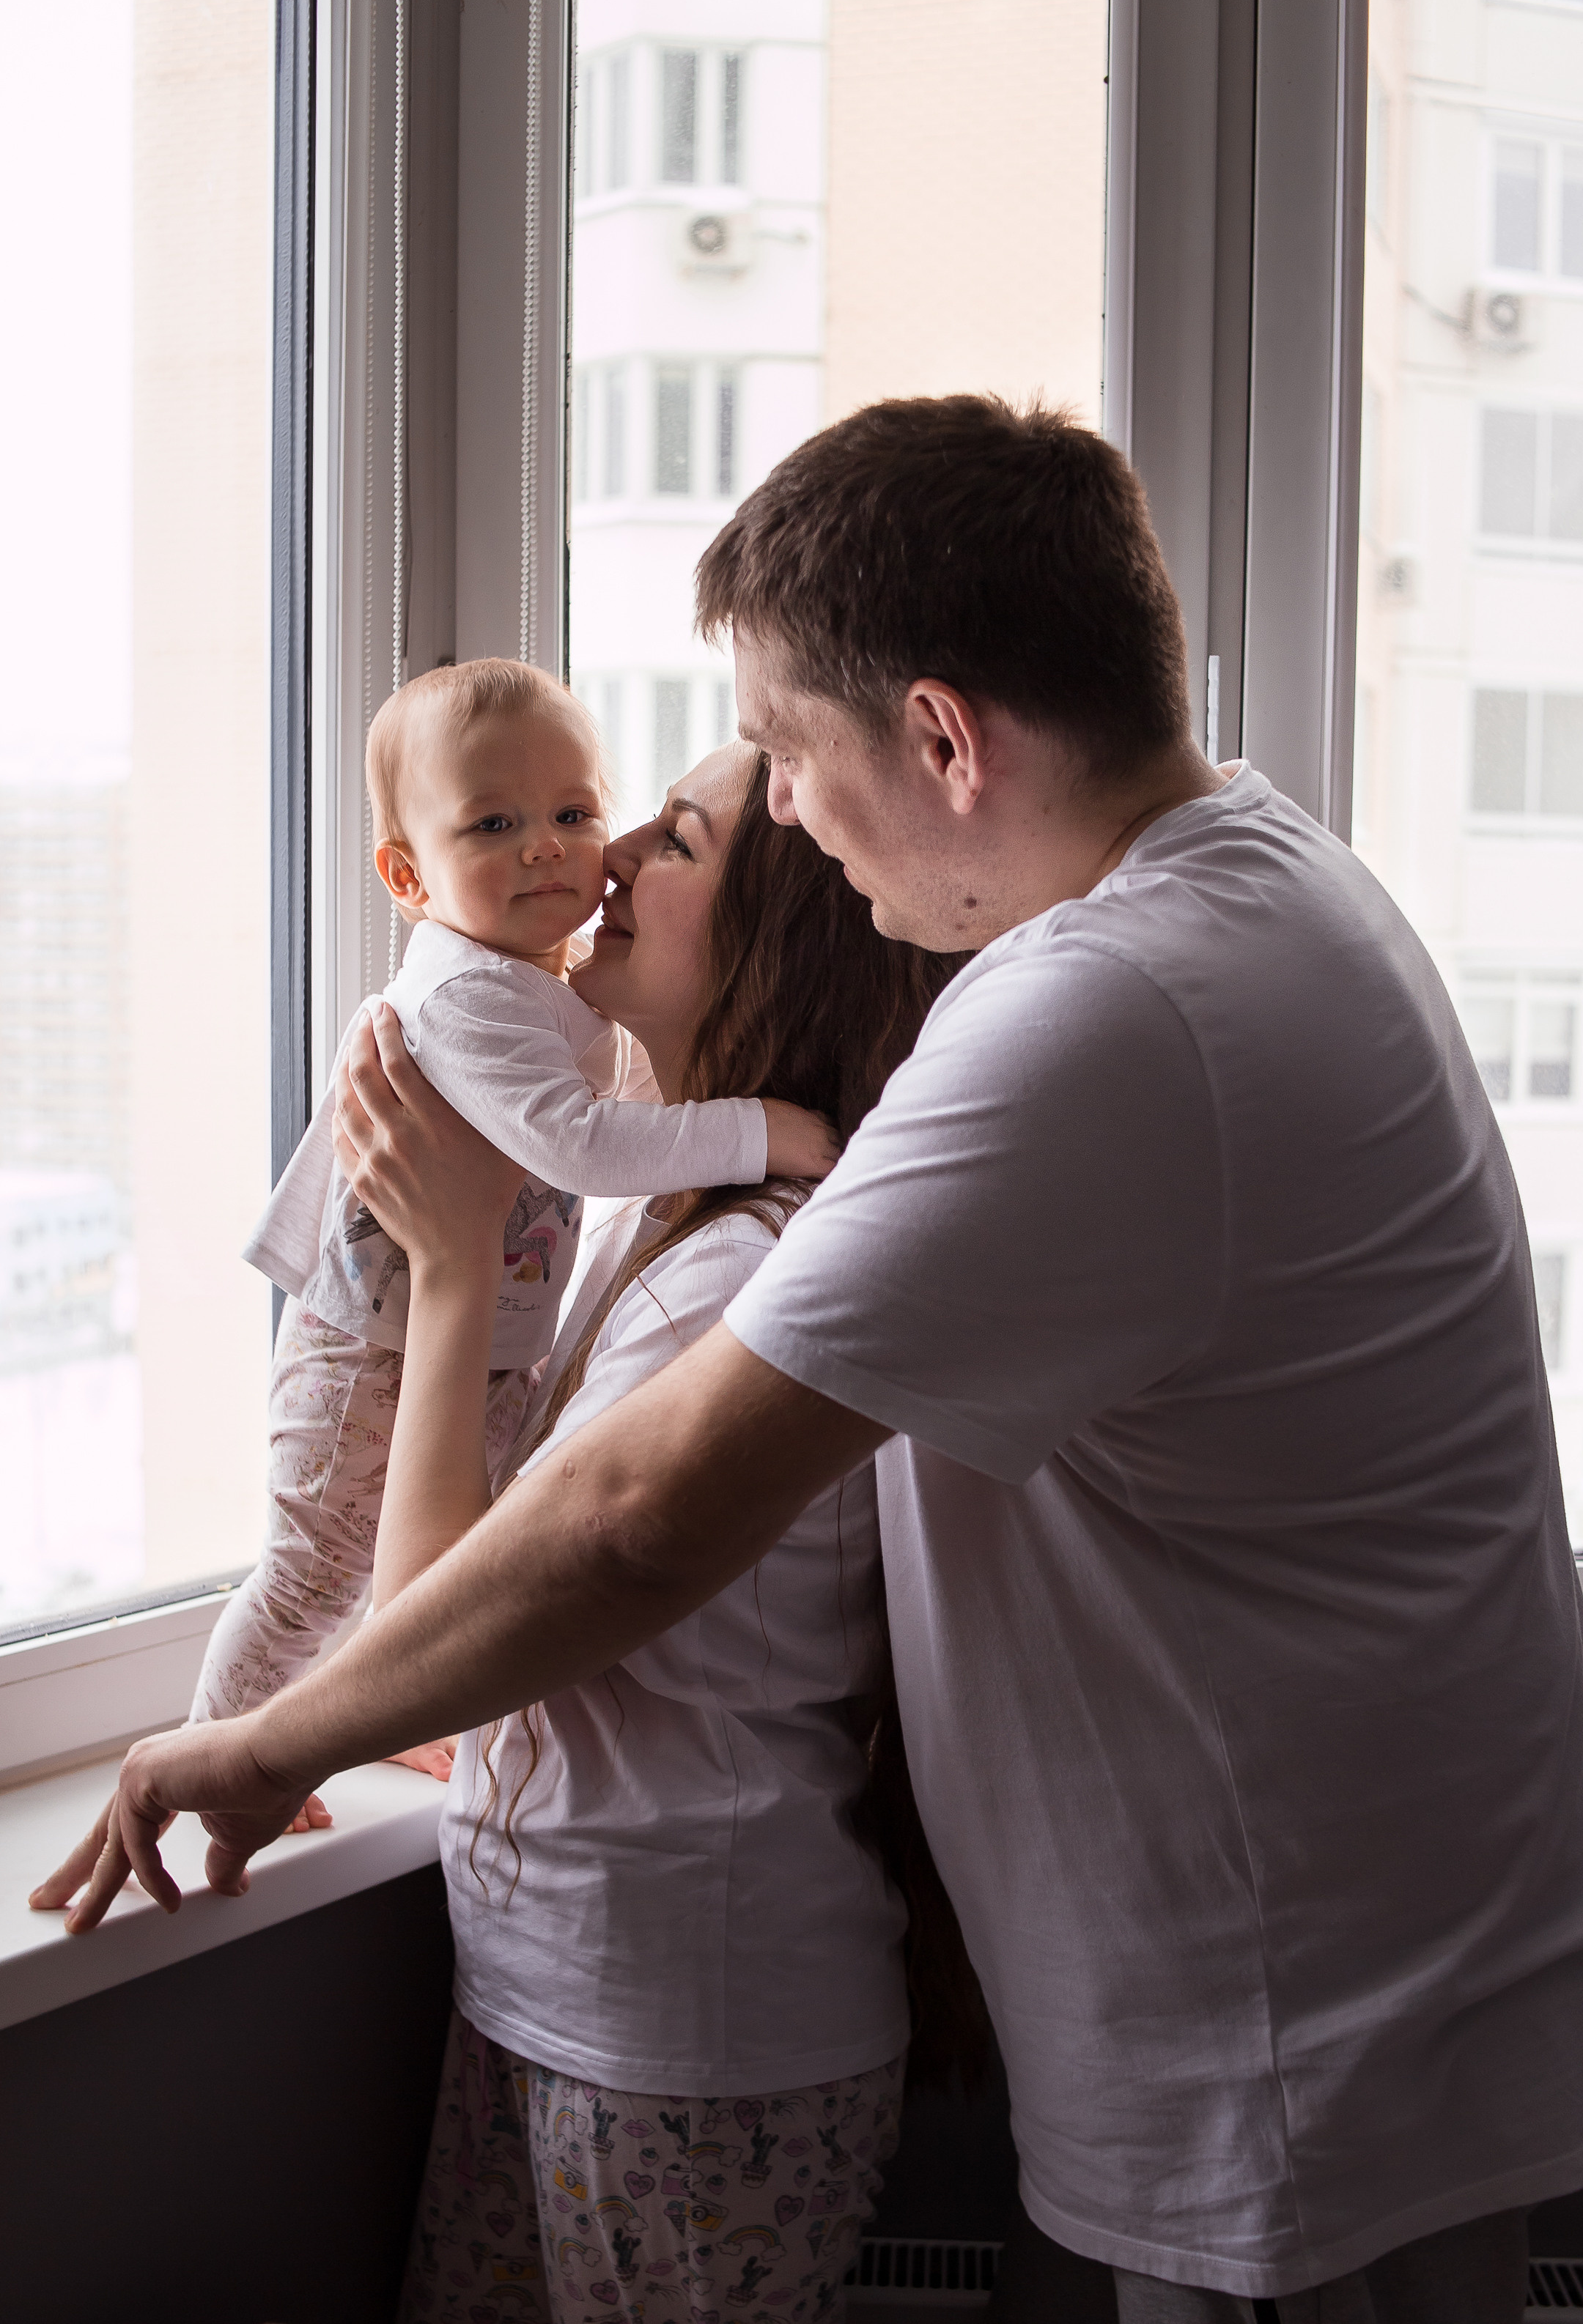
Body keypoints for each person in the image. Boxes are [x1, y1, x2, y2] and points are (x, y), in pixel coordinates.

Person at [40, 397, 1582, 2324]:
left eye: (779, 747)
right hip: (1325, 1992)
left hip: (1277, 2038)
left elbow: (637, 1516)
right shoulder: (1261, 878)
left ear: (940, 736)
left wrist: (265, 1744)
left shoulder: (1105, 1010)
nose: (773, 803)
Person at [365, 742, 962, 2324]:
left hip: (690, 2033)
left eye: (674, 839)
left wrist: (449, 1269)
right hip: (567, 1981)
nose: (607, 850)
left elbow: (435, 1630)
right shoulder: (651, 1205)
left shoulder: (735, 1276)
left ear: (777, 937)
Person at [188, 657, 834, 1775]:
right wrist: (764, 1128)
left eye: (578, 812)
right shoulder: (466, 990)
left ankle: (364, 1720)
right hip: (367, 1352)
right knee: (309, 1566)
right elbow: (582, 1144)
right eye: (493, 823)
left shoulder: (545, 984)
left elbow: (617, 1108)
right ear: (408, 876)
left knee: (420, 1568)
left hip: (477, 1347)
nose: (565, 848)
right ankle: (228, 1743)